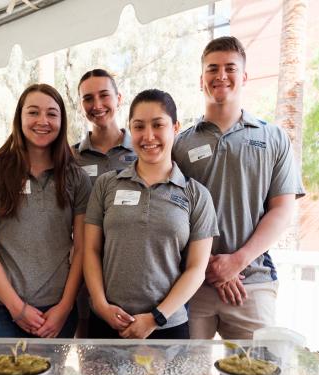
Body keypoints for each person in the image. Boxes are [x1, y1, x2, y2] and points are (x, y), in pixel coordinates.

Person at [172, 36, 306, 341]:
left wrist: (236, 262)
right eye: (212, 69)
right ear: (201, 79)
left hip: (252, 284)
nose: (221, 75)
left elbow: (282, 210)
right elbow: (171, 213)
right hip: (192, 285)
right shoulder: (180, 144)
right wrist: (208, 267)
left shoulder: (273, 138)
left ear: (244, 77)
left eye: (230, 68)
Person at [84, 89, 218, 340]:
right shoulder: (106, 185)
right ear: (130, 129)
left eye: (158, 125)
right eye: (139, 126)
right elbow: (90, 250)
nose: (148, 136)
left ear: (175, 127)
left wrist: (156, 317)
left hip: (167, 327)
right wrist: (102, 306)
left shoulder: (196, 195)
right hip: (107, 322)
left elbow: (196, 269)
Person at [0, 83, 91, 339]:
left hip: (56, 310)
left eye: (52, 114)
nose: (42, 121)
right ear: (20, 118)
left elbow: (82, 247)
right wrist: (16, 308)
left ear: (62, 121)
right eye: (33, 112)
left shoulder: (76, 177)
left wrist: (66, 307)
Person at [73, 68, 137, 337]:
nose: (97, 105)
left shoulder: (144, 151)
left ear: (119, 98)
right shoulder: (70, 157)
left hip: (132, 269)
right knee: (93, 361)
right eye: (88, 99)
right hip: (86, 273)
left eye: (104, 96)